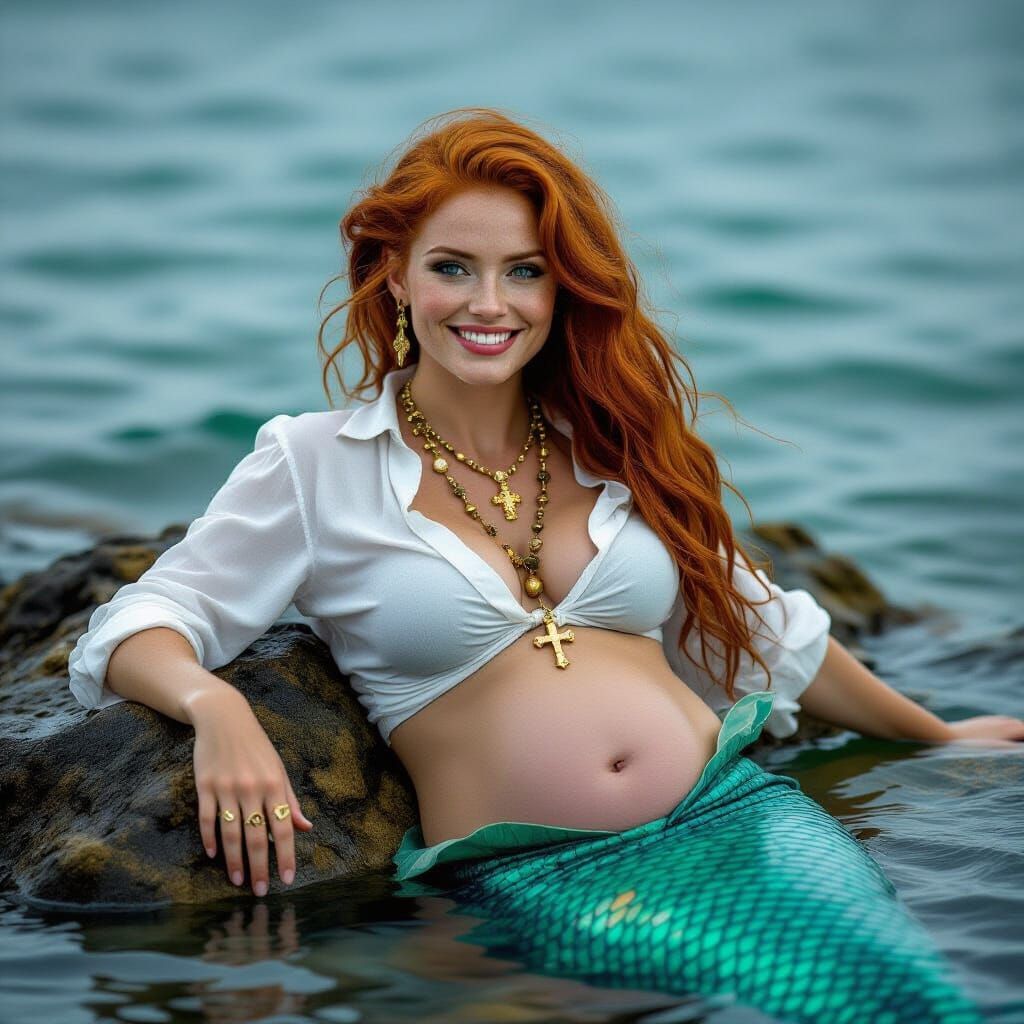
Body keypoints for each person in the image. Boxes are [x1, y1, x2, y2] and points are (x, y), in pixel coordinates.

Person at [67, 107, 1017, 1023]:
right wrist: (215, 706)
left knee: (906, 999)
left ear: (561, 289)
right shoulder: (313, 464)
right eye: (453, 268)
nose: (490, 304)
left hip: (738, 812)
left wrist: (935, 735)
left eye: (524, 272)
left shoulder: (613, 441)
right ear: (395, 276)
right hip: (531, 871)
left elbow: (762, 624)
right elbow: (141, 624)